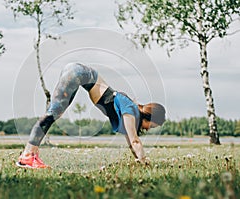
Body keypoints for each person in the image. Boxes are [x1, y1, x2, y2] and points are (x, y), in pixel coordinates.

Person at [16, 63, 166, 168]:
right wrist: (144, 161)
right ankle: (27, 156)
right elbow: (135, 141)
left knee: (54, 114)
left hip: (80, 73)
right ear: (150, 117)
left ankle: (31, 155)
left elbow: (130, 142)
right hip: (81, 73)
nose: (149, 129)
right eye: (152, 126)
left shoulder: (130, 113)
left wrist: (139, 160)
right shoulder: (130, 110)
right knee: (53, 114)